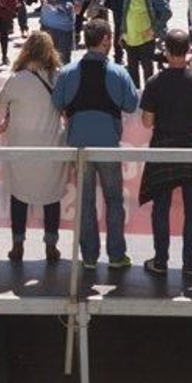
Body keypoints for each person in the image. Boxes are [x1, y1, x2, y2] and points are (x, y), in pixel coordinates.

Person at [52, 20, 139, 269]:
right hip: (108, 146)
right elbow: (131, 104)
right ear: (105, 40)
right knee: (114, 201)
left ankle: (89, 257)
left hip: (79, 146)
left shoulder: (68, 72)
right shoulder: (118, 72)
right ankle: (116, 255)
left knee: (85, 202)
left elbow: (57, 103)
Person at [138, 29, 192, 277]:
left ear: (166, 51)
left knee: (161, 206)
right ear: (188, 50)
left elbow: (147, 122)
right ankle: (190, 263)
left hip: (164, 146)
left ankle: (160, 261)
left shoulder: (154, 82)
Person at [0, 30, 67, 263]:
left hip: (21, 147)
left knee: (19, 195)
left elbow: (0, 100)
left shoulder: (17, 79)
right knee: (51, 196)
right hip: (51, 147)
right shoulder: (58, 77)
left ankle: (17, 244)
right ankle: (51, 246)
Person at [119, 0, 170, 87]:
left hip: (146, 38)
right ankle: (135, 95)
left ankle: (149, 95)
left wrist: (155, 29)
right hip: (130, 38)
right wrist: (122, 32)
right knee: (132, 70)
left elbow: (167, 12)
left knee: (147, 69)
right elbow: (126, 13)